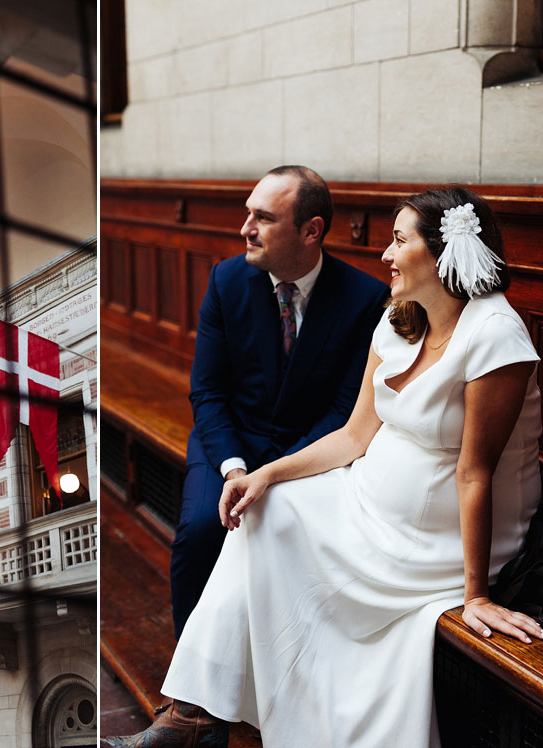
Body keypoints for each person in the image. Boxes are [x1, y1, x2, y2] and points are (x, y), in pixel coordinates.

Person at [102, 187, 543, 748]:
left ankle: (208, 724)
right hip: (367, 498)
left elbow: (474, 472)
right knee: (266, 510)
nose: (385, 254)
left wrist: (478, 595)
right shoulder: (401, 318)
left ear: (443, 254)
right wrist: (266, 474)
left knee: (281, 538)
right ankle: (191, 719)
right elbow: (355, 435)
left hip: (439, 538)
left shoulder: (495, 335)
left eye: (399, 241)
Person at [171, 165, 388, 639]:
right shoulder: (226, 281)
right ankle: (188, 692)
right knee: (201, 532)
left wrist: (277, 473)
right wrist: (234, 469)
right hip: (228, 444)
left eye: (263, 218)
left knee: (287, 534)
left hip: (308, 452)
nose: (245, 229)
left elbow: (345, 409)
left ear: (311, 231)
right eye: (248, 213)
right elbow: (207, 392)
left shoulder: (367, 300)